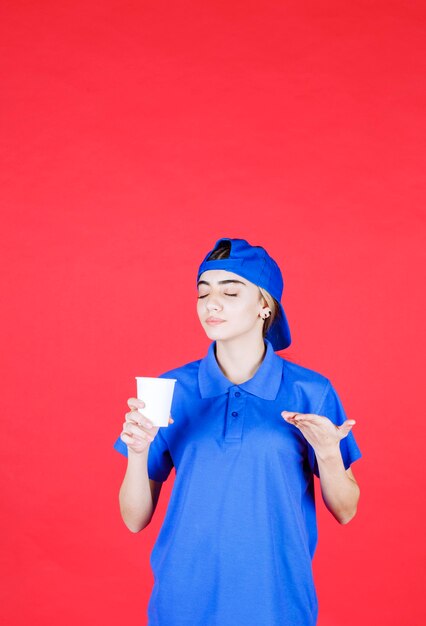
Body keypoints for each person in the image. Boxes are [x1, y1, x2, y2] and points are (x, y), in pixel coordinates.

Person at [113, 237, 362, 626]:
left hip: (277, 603)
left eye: (231, 291)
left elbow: (346, 510)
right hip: (182, 603)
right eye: (203, 292)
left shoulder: (310, 391)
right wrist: (138, 452)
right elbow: (134, 519)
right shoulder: (170, 389)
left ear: (265, 305)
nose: (212, 303)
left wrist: (330, 454)